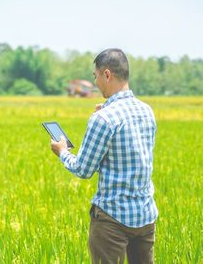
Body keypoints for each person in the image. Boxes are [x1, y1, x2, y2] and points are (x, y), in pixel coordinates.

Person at [50, 48, 158, 264]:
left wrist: (62, 152)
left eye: (96, 76)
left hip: (112, 220)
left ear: (107, 74)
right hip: (145, 218)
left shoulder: (104, 119)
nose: (96, 83)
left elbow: (84, 169)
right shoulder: (146, 110)